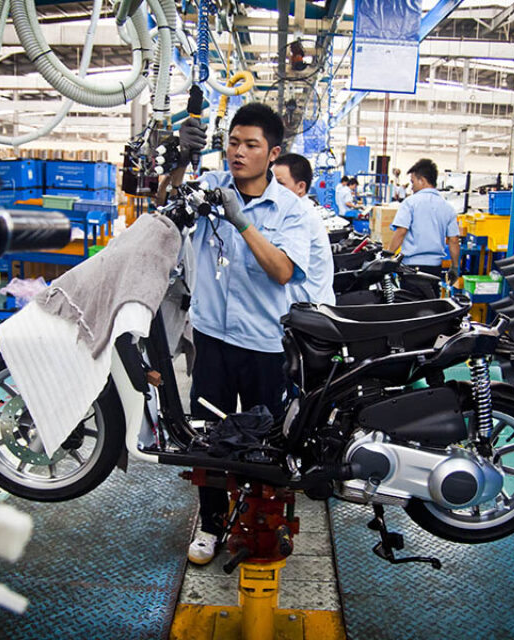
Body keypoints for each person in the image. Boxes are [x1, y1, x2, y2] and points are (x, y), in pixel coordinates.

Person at [166, 103, 311, 566]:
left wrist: (242, 222)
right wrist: (178, 165)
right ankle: (210, 525)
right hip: (211, 338)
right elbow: (166, 206)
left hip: (266, 346)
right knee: (207, 438)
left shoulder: (292, 210)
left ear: (273, 153)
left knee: (266, 444)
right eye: (233, 142)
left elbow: (283, 271)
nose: (238, 152)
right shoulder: (209, 187)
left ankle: (259, 522)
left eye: (251, 145)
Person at [385, 159, 461, 297]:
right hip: (434, 270)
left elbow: (401, 232)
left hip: (411, 270)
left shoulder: (410, 203)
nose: (411, 187)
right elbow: (454, 240)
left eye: (413, 182)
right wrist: (455, 267)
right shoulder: (448, 208)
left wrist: (387, 256)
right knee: (430, 310)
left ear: (422, 180)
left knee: (409, 310)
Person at [273, 153, 336, 305]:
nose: (272, 190)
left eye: (280, 184)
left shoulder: (300, 215)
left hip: (309, 309)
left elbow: (280, 269)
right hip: (310, 303)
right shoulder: (296, 209)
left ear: (301, 187)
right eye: (270, 183)